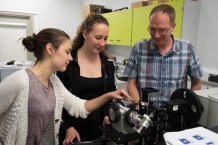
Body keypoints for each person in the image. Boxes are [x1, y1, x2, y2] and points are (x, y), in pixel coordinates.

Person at [0, 28, 132, 145]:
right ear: (50, 49)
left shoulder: (54, 82)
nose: (70, 58)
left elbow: (78, 107)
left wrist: (109, 95)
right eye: (67, 52)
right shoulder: (19, 81)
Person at [124, 4, 203, 106]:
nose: (156, 35)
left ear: (173, 26)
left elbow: (197, 80)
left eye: (162, 30)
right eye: (152, 29)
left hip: (175, 116)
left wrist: (190, 106)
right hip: (145, 116)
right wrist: (139, 106)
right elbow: (131, 81)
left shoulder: (187, 49)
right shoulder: (139, 48)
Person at [57, 13, 116, 145]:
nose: (102, 43)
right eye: (98, 37)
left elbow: (109, 98)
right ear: (85, 34)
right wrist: (68, 127)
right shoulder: (68, 62)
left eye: (105, 38)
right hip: (72, 136)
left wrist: (107, 115)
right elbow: (58, 100)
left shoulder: (108, 65)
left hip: (99, 135)